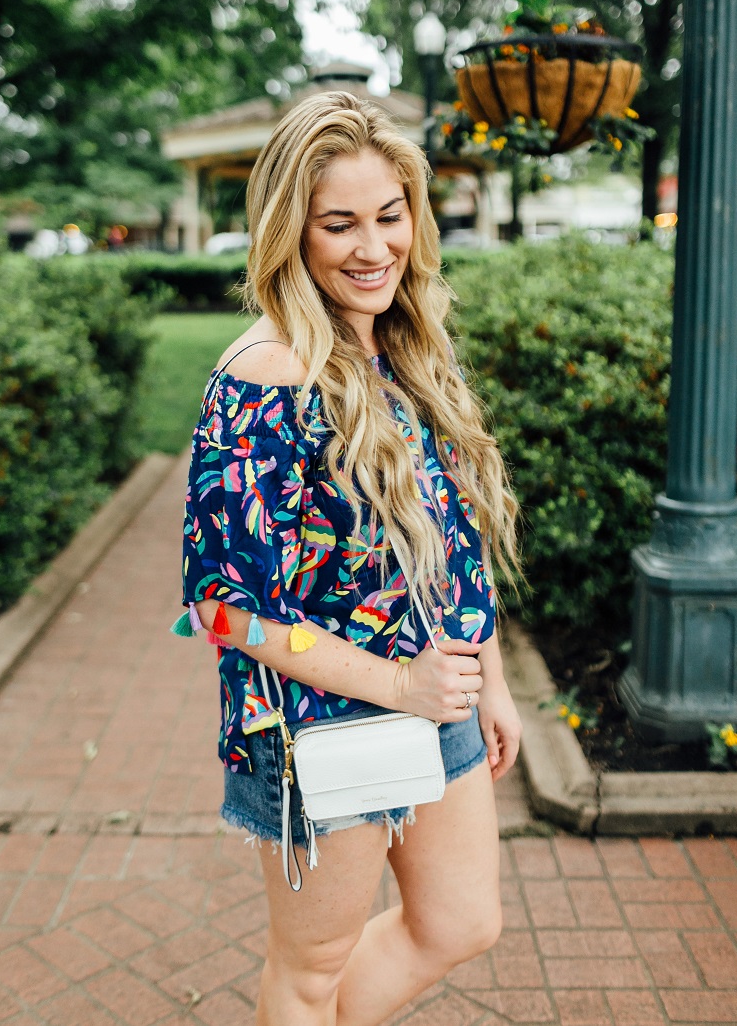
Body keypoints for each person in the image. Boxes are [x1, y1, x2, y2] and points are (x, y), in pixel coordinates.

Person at [174, 91, 523, 1026]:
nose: (374, 247)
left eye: (390, 214)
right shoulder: (265, 374)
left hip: (434, 690)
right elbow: (218, 606)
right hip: (318, 726)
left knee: (460, 921)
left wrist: (486, 676)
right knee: (310, 967)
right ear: (293, 230)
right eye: (340, 224)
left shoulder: (402, 340)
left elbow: (451, 533)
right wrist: (400, 686)